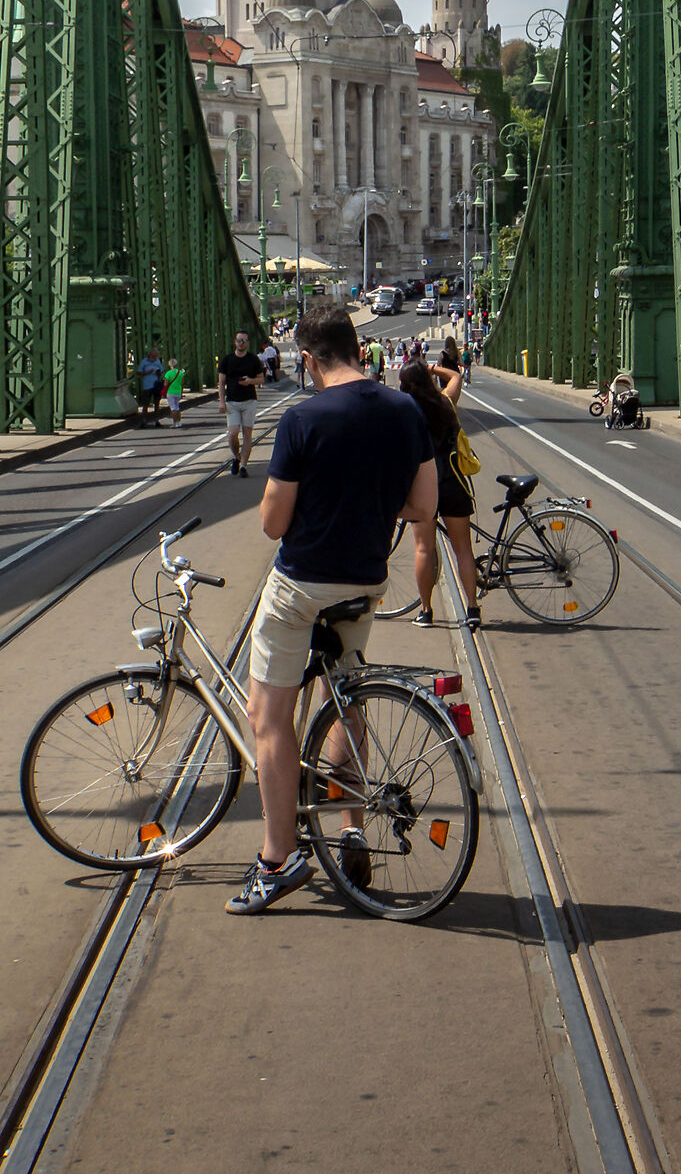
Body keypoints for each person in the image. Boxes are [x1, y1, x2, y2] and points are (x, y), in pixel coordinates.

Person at [229, 302, 437, 915]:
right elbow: (422, 506)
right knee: (343, 699)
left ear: (312, 360)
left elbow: (272, 524)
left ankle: (277, 858)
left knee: (269, 716)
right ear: (356, 347)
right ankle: (350, 826)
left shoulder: (302, 419)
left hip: (302, 586)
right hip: (365, 582)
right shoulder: (405, 410)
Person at [399, 359, 481, 630]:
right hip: (453, 483)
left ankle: (426, 611)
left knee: (424, 548)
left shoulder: (405, 412)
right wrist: (432, 369)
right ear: (428, 380)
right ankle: (472, 607)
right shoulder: (446, 402)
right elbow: (456, 376)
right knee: (464, 550)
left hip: (423, 489)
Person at [217, 329, 263, 476]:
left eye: (244, 341)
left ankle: (243, 466)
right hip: (232, 402)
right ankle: (236, 457)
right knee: (232, 433)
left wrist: (250, 381)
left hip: (249, 400)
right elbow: (221, 383)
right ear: (235, 342)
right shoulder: (227, 360)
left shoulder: (253, 359)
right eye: (239, 340)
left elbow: (261, 379)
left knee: (247, 434)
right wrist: (221, 402)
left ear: (248, 343)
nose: (241, 343)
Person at [136, 346, 166, 425]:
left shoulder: (158, 362)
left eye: (156, 356)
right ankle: (143, 420)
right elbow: (138, 372)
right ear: (149, 355)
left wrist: (158, 372)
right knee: (145, 404)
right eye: (153, 356)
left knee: (157, 404)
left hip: (156, 385)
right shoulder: (144, 362)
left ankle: (157, 420)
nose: (155, 357)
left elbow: (161, 371)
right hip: (147, 385)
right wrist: (147, 372)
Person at [163, 358, 186, 427]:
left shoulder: (168, 373)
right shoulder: (180, 373)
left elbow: (165, 384)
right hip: (178, 392)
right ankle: (179, 422)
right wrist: (181, 393)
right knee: (177, 407)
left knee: (173, 408)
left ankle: (175, 423)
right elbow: (182, 384)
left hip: (170, 392)